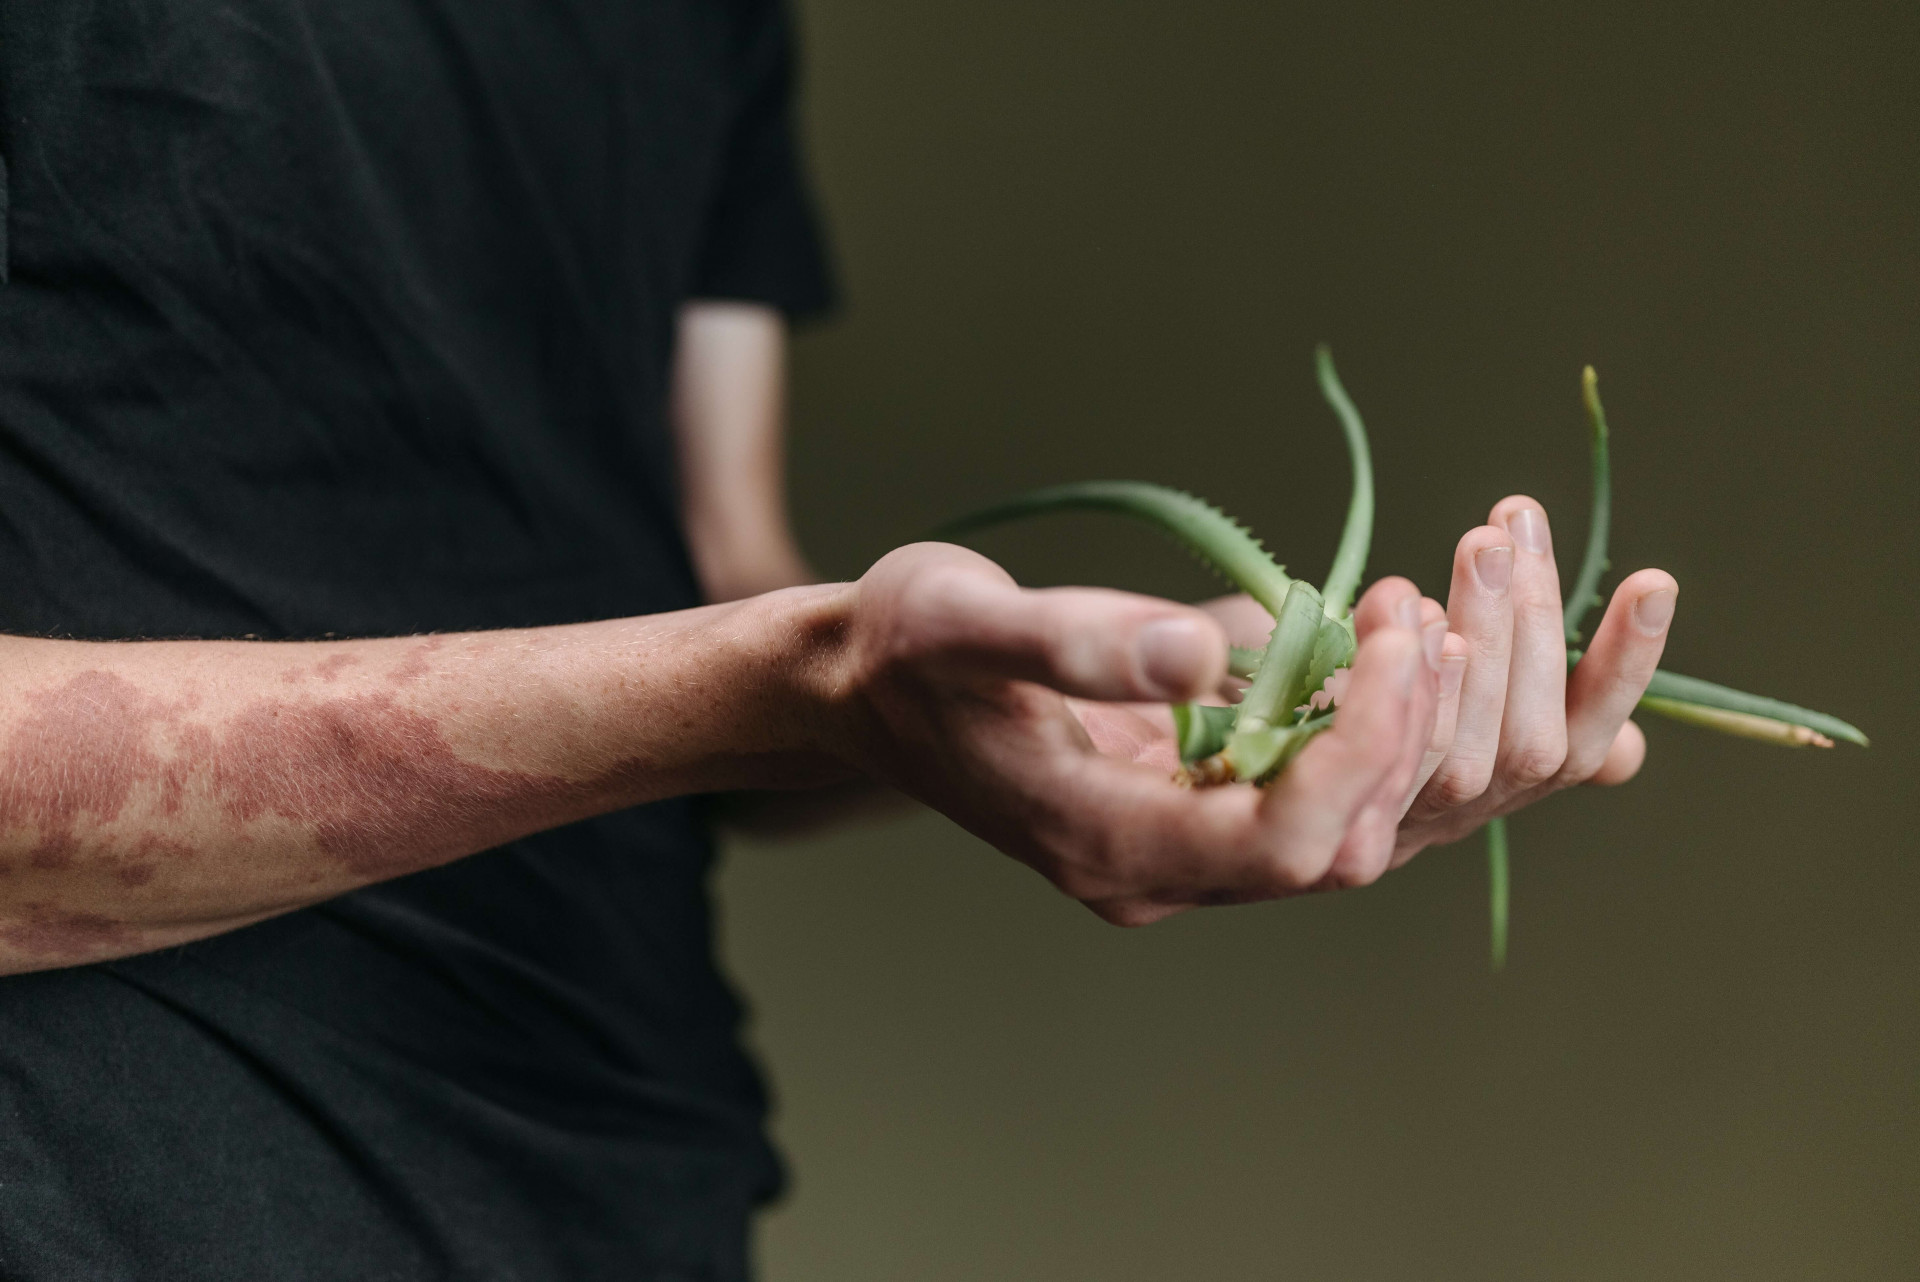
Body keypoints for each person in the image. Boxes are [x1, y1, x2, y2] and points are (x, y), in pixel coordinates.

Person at [0, 1, 1678, 1277]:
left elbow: (719, 575)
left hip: (623, 1177)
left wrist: (983, 692)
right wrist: (791, 676)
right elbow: (746, 664)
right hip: (120, 1184)